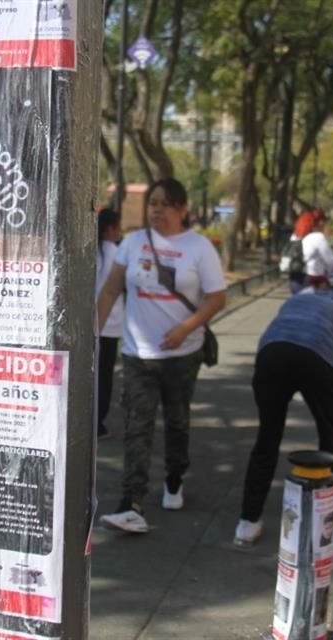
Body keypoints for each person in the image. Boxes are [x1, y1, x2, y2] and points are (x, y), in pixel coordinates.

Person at [96, 178, 227, 534]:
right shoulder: (134, 243)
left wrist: (185, 328)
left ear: (182, 209)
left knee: (176, 421)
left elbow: (217, 298)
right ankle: (132, 503)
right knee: (137, 428)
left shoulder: (199, 248)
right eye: (152, 202)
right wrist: (94, 333)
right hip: (139, 354)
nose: (156, 209)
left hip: (183, 354)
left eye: (165, 203)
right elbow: (111, 289)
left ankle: (173, 478)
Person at [234, 276, 333, 546]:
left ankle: (248, 522)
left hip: (271, 355)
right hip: (317, 359)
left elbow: (272, 333)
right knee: (331, 440)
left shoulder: (299, 299)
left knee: (267, 437)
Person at [95, 208, 124, 439]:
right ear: (110, 229)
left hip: (91, 323)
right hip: (111, 325)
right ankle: (98, 420)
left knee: (91, 374)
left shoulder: (90, 252)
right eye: (118, 227)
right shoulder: (117, 253)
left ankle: (88, 416)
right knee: (105, 375)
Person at [285, 209, 333, 294]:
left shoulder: (295, 236)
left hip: (294, 278)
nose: (325, 224)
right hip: (312, 281)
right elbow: (331, 261)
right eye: (324, 221)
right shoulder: (317, 237)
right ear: (319, 222)